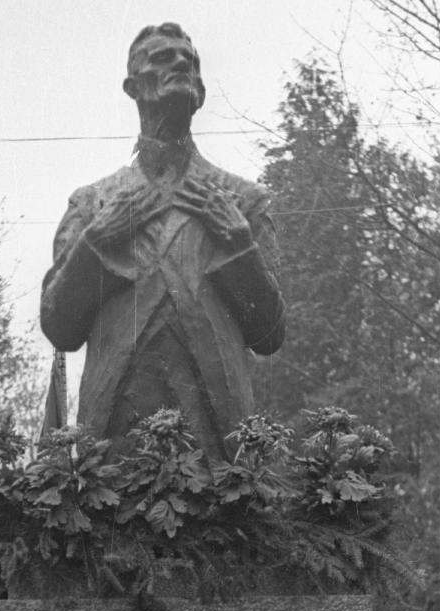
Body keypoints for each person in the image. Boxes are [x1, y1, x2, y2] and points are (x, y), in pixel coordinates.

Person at [40, 23, 285, 459]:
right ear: (133, 87)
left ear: (201, 92)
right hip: (113, 448)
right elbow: (59, 326)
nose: (180, 64)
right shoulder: (93, 203)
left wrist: (240, 244)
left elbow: (270, 333)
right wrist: (95, 242)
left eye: (188, 60)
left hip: (221, 449)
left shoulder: (243, 202)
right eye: (162, 57)